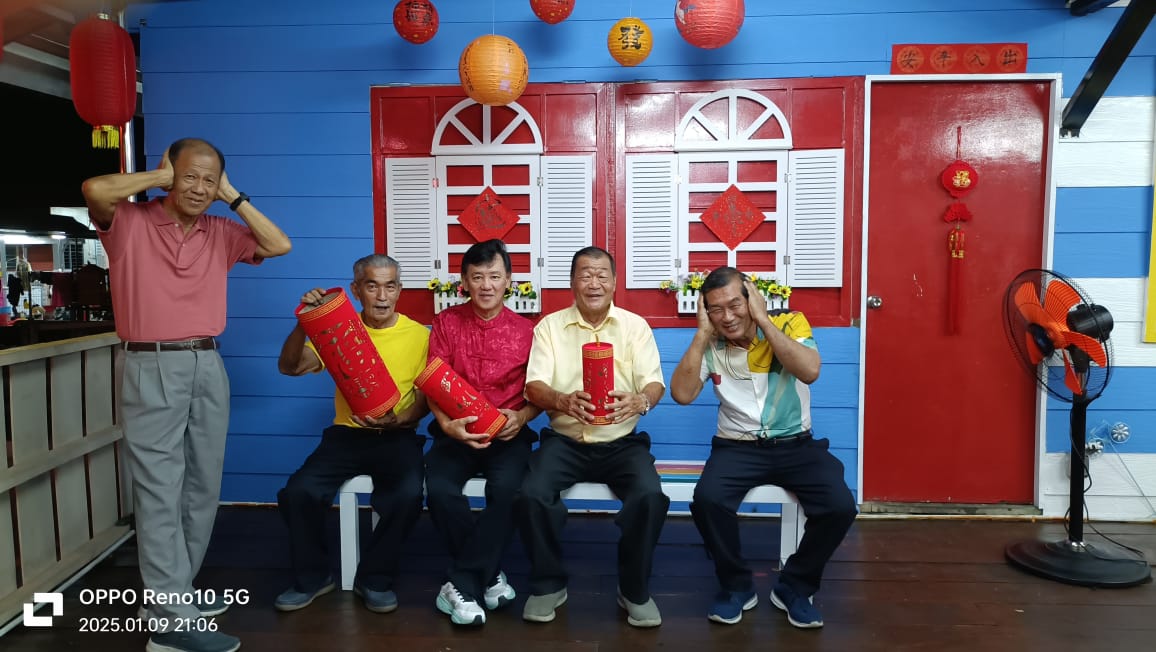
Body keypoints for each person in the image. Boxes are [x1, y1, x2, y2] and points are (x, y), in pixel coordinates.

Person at [81, 137, 292, 652]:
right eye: (189, 176)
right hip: (150, 360)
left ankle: (174, 595)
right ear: (170, 174)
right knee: (159, 489)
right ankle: (170, 625)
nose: (198, 188)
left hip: (207, 362)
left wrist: (232, 196)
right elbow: (95, 189)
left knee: (201, 486)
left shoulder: (221, 231)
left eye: (209, 180)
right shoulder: (129, 222)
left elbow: (278, 244)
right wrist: (160, 178)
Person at [669, 266, 857, 629]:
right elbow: (682, 394)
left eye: (734, 305)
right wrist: (701, 334)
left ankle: (795, 586)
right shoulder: (710, 342)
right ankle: (736, 586)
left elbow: (809, 371)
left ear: (752, 298)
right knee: (708, 501)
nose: (727, 317)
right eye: (715, 309)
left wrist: (764, 321)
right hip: (736, 447)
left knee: (839, 506)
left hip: (796, 444)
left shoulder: (789, 323)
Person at [518, 246, 668, 628]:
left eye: (602, 275)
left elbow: (654, 383)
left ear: (615, 282)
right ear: (572, 282)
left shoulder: (635, 327)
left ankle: (633, 589)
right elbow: (534, 386)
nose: (594, 283)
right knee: (532, 493)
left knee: (649, 496)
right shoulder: (549, 327)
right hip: (564, 441)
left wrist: (640, 401)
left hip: (621, 442)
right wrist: (561, 400)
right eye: (585, 274)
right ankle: (548, 584)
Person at [274, 254, 429, 615]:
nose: (382, 296)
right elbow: (290, 367)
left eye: (390, 286)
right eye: (372, 286)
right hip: (346, 434)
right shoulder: (337, 329)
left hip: (397, 435)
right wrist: (305, 322)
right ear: (356, 290)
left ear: (399, 290)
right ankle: (313, 578)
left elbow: (424, 401)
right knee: (298, 492)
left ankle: (375, 578)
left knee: (408, 496)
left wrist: (398, 420)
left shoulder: (420, 336)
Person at [424, 239, 540, 626]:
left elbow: (540, 390)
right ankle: (487, 576)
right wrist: (446, 425)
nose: (486, 285)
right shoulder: (446, 323)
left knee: (510, 491)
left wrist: (522, 416)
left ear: (508, 280)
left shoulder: (527, 331)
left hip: (508, 436)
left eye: (494, 276)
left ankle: (460, 583)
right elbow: (433, 381)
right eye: (477, 277)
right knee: (439, 490)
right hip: (455, 433)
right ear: (464, 282)